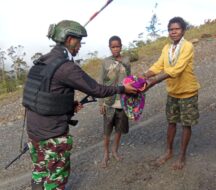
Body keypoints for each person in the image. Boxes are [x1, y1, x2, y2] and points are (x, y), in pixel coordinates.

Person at [22, 20, 137, 190]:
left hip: (34, 131)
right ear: (69, 39)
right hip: (52, 135)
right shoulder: (66, 67)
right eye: (79, 41)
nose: (80, 46)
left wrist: (67, 106)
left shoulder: (42, 61)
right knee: (55, 181)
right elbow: (96, 89)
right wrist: (122, 88)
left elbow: (44, 95)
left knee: (39, 173)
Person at [141, 17, 200, 170]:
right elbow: (158, 65)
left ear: (183, 30)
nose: (173, 32)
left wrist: (154, 81)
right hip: (173, 92)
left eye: (176, 29)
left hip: (188, 92)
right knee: (171, 123)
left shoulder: (187, 46)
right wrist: (144, 75)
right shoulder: (167, 48)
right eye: (170, 29)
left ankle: (182, 156)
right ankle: (169, 151)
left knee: (186, 125)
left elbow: (177, 69)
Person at [99, 36, 131, 168]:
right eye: (113, 47)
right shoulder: (105, 62)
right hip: (109, 102)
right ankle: (106, 153)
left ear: (121, 46)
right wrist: (101, 103)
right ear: (110, 48)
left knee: (119, 129)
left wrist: (131, 100)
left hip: (123, 102)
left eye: (118, 46)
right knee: (107, 131)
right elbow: (101, 83)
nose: (116, 49)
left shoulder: (126, 61)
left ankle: (114, 151)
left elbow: (129, 80)